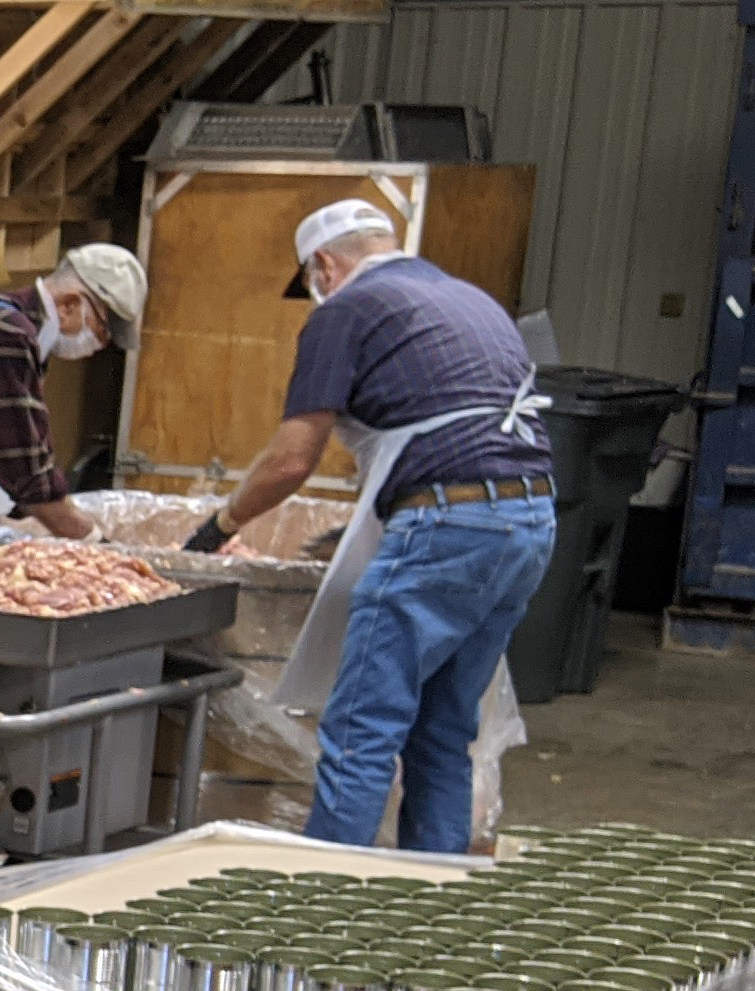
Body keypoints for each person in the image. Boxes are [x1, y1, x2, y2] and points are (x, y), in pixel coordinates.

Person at [193, 199, 556, 855]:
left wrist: (221, 523)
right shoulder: (471, 300)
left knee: (361, 728)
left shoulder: (345, 311)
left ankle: (322, 917)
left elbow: (291, 459)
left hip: (448, 522)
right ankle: (428, 900)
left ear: (324, 265)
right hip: (528, 518)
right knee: (442, 730)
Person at [0, 244, 142, 540]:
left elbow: (32, 451)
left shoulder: (22, 336)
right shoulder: (2, 335)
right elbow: (29, 478)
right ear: (69, 304)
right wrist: (98, 543)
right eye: (103, 329)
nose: (101, 343)